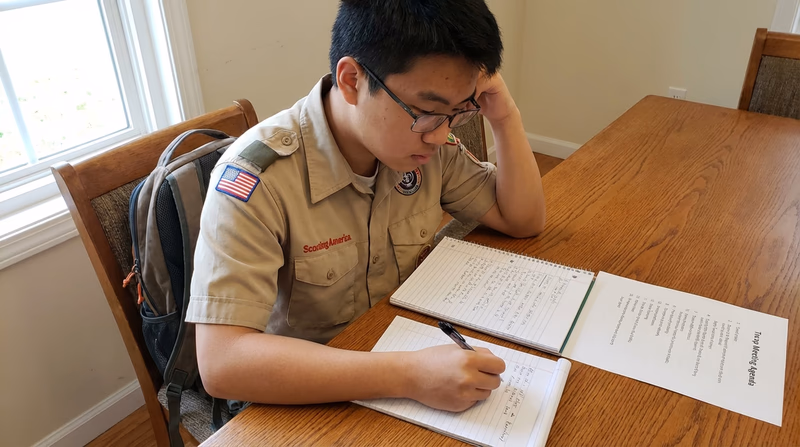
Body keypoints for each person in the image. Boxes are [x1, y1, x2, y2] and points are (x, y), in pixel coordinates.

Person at [187, 0, 546, 413]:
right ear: (352, 80)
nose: (440, 134)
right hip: (304, 397)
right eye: (428, 113)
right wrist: (409, 376)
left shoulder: (427, 142)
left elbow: (522, 220)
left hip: (405, 346)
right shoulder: (259, 178)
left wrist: (504, 116)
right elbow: (222, 363)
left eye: (458, 112)